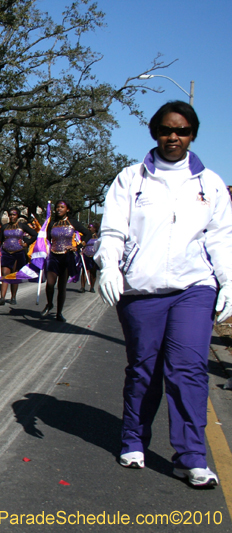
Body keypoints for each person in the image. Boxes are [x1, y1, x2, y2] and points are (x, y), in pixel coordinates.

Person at [96, 101, 232, 488]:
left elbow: (222, 238)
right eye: (167, 130)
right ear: (154, 132)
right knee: (145, 368)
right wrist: (109, 265)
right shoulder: (131, 179)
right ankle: (134, 439)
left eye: (183, 131)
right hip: (143, 289)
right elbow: (113, 230)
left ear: (193, 134)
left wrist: (230, 280)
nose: (174, 137)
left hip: (194, 287)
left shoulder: (210, 183)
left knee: (188, 368)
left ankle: (190, 457)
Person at [42, 200, 88, 322]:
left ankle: (59, 313)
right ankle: (49, 303)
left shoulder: (73, 222)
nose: (59, 209)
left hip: (67, 256)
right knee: (50, 284)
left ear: (67, 209)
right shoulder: (52, 223)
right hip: (53, 255)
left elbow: (87, 234)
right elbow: (46, 239)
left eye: (62, 207)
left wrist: (77, 247)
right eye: (57, 207)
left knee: (61, 286)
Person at [0, 208, 37, 305]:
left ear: (17, 216)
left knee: (14, 275)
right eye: (10, 215)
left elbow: (35, 234)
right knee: (4, 273)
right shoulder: (4, 227)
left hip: (18, 252)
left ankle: (13, 297)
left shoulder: (22, 226)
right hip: (6, 252)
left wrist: (26, 243)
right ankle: (2, 297)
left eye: (14, 215)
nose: (12, 216)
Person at [79, 223, 98, 293]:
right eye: (88, 227)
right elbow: (81, 244)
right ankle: (82, 287)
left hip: (95, 256)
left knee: (93, 272)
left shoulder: (99, 236)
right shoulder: (85, 236)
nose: (89, 229)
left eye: (90, 227)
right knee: (85, 271)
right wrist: (80, 250)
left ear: (95, 228)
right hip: (86, 255)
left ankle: (92, 287)